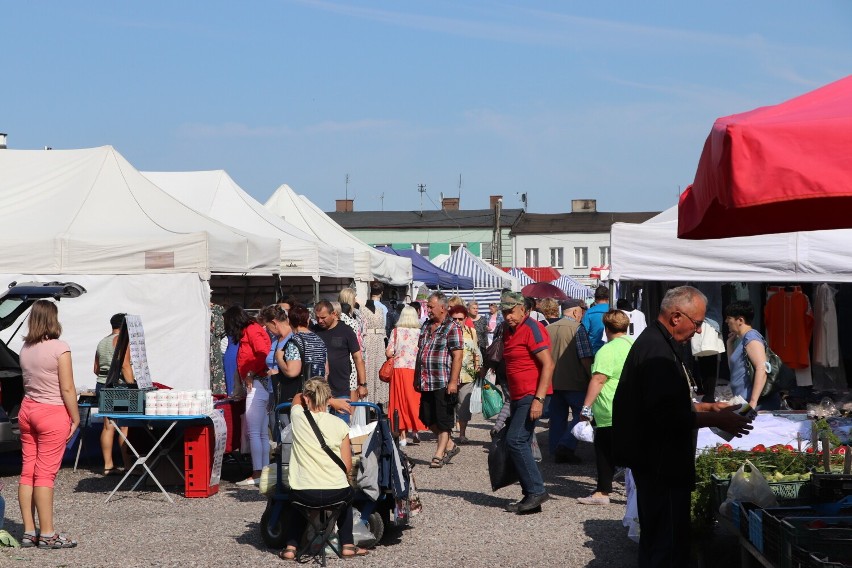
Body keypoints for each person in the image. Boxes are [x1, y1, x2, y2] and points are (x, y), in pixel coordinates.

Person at [612, 286, 754, 567]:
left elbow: (663, 404)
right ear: (677, 317)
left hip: (658, 462)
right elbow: (662, 416)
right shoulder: (657, 352)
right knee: (667, 544)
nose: (699, 331)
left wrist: (707, 408)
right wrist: (716, 419)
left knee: (660, 539)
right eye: (698, 323)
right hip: (661, 464)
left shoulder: (659, 344)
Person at [279, 378, 368, 560]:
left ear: (307, 398)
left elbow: (296, 397)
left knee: (298, 505)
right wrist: (332, 401)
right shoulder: (340, 425)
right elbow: (347, 466)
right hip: (335, 493)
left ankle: (291, 547)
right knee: (347, 496)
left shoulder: (298, 419)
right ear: (327, 399)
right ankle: (348, 545)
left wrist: (328, 399)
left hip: (304, 494)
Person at [17, 300, 80, 548]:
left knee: (27, 471)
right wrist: (75, 418)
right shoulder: (60, 348)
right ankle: (48, 534)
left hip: (27, 410)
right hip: (52, 412)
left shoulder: (25, 348)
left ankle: (29, 531)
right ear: (53, 320)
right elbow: (67, 387)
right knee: (45, 475)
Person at [498, 291, 555, 514]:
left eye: (511, 311)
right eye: (504, 312)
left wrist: (539, 399)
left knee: (516, 441)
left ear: (524, 309)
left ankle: (536, 491)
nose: (508, 316)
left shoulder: (532, 328)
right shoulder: (509, 330)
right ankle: (530, 496)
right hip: (518, 395)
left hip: (532, 395)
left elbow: (548, 365)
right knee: (516, 441)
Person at [578, 310, 633, 505]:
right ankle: (633, 491)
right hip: (630, 407)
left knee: (604, 451)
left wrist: (586, 407)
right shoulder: (634, 344)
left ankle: (602, 491)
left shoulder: (606, 350)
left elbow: (599, 379)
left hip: (609, 408)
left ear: (606, 328)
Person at [225, 306, 272, 486]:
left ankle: (257, 473)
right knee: (260, 433)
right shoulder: (253, 329)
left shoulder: (252, 331)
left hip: (258, 383)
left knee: (255, 432)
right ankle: (264, 472)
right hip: (259, 383)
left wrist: (251, 372)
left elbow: (262, 354)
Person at [416, 292, 463, 468]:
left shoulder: (452, 327)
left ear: (442, 308)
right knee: (426, 417)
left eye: (430, 306)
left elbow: (457, 356)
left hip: (443, 380)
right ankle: (450, 445)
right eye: (427, 306)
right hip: (426, 379)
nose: (427, 309)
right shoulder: (426, 325)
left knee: (443, 420)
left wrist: (453, 382)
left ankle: (439, 453)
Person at [547, 298, 593, 464]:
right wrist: (591, 377)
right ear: (575, 312)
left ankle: (555, 448)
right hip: (575, 381)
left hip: (553, 381)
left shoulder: (548, 328)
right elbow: (585, 357)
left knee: (557, 417)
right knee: (582, 415)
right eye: (581, 312)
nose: (582, 315)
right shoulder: (577, 329)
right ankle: (565, 446)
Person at [724, 301, 781, 410]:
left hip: (755, 404)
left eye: (729, 318)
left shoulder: (751, 338)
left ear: (740, 320)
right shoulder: (743, 340)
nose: (726, 321)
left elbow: (762, 368)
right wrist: (729, 343)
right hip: (744, 402)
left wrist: (753, 403)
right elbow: (735, 369)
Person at [93, 313, 131, 475]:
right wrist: (133, 385)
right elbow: (125, 366)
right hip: (119, 386)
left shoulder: (102, 342)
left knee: (108, 426)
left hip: (102, 384)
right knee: (124, 426)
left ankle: (108, 465)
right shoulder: (122, 340)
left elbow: (96, 369)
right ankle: (128, 465)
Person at [313, 300, 367, 410]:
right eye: (317, 317)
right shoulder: (314, 331)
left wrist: (362, 385)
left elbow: (358, 358)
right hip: (319, 390)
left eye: (323, 317)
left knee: (342, 425)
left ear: (333, 314)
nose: (320, 321)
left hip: (341, 388)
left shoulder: (346, 331)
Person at [385, 306, 426, 446]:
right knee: (414, 400)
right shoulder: (420, 333)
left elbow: (389, 352)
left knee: (399, 401)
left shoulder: (396, 332)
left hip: (399, 369)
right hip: (415, 370)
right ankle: (415, 430)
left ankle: (402, 435)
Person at [278, 305, 327, 401]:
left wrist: (279, 358)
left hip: (301, 397)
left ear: (289, 321)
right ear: (308, 320)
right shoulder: (319, 340)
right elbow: (326, 370)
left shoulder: (295, 341)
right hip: (319, 395)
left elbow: (292, 372)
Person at [449, 305, 482, 444]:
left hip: (467, 374)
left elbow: (476, 351)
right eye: (454, 319)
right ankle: (447, 434)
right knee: (449, 405)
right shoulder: (447, 332)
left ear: (465, 318)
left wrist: (478, 367)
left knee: (464, 404)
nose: (457, 322)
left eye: (460, 319)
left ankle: (462, 434)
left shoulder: (471, 331)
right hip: (450, 374)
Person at [361, 299, 388, 406]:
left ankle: (379, 400)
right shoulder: (361, 310)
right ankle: (369, 401)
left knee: (379, 370)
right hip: (368, 341)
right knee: (369, 370)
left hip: (380, 342)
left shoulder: (381, 309)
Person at [338, 288, 363, 394]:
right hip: (350, 359)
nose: (355, 301)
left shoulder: (338, 317)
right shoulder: (351, 320)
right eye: (354, 298)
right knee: (350, 392)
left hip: (340, 358)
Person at [583, 286, 610, 356]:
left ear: (595, 298)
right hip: (611, 349)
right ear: (608, 298)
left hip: (595, 351)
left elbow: (583, 333)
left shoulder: (589, 312)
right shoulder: (614, 311)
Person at [210, 303, 227, 395]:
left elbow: (220, 330)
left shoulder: (217, 309)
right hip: (214, 347)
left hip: (213, 347)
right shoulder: (218, 310)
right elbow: (221, 330)